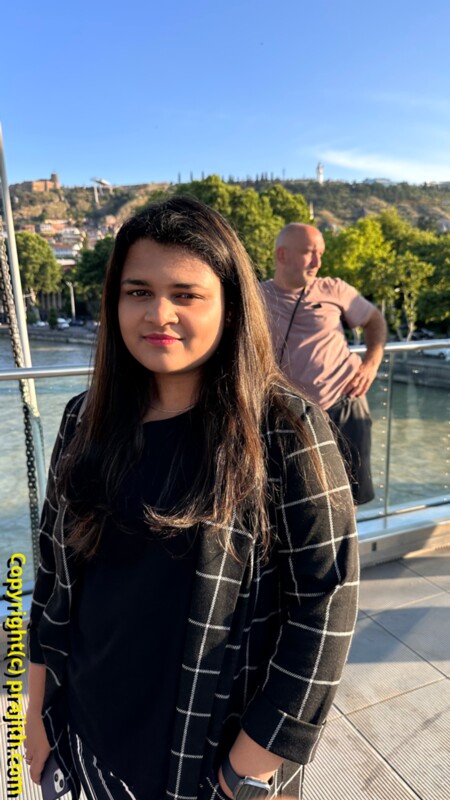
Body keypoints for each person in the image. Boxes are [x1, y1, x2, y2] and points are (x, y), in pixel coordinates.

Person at [25, 198, 359, 800]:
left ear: (230, 306)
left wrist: (249, 770)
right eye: (138, 291)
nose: (159, 314)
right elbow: (52, 575)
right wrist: (34, 708)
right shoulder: (84, 420)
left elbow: (325, 606)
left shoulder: (286, 430)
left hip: (205, 760)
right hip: (85, 740)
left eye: (186, 294)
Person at [261, 223, 387, 505]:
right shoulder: (256, 298)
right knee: (294, 499)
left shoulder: (335, 289)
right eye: (309, 252)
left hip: (345, 406)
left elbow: (374, 320)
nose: (318, 262)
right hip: (288, 415)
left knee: (349, 498)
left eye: (321, 253)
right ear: (282, 255)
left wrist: (370, 365)